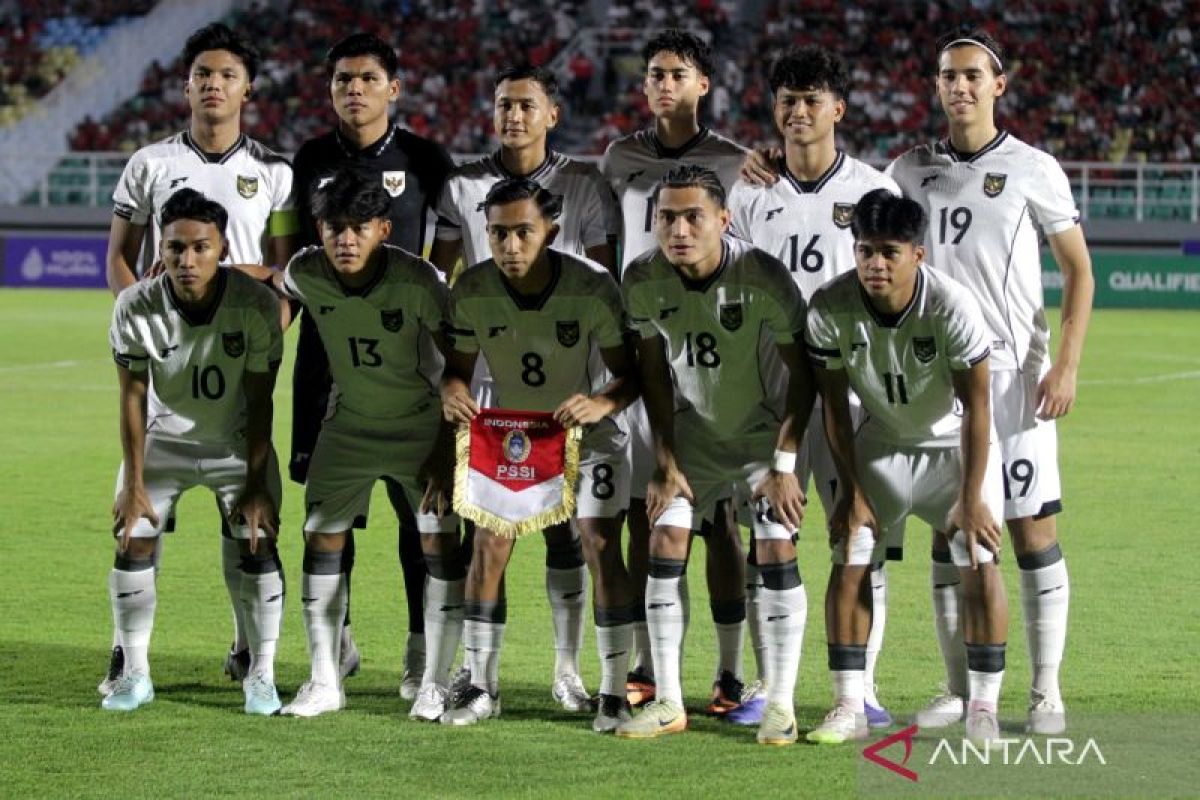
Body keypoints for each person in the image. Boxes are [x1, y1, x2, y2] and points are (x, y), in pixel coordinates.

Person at [886, 29, 1093, 735]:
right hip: (936, 379)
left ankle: (1045, 691)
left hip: (1013, 380)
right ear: (937, 86)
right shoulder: (908, 170)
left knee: (1031, 532)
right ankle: (958, 688)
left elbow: (1078, 270)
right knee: (949, 534)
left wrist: (1066, 363)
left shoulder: (1034, 168)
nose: (961, 86)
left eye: (973, 75)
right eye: (949, 76)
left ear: (998, 85)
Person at [102, 22, 297, 694]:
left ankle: (250, 650)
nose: (213, 84)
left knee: (245, 523)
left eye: (227, 75)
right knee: (139, 520)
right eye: (202, 75)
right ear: (186, 87)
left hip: (240, 356)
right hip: (168, 371)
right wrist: (151, 321)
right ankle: (127, 656)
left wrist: (262, 327)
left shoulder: (275, 173)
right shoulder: (149, 164)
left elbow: (285, 271)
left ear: (248, 89)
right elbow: (120, 258)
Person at [429, 65, 620, 711]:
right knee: (488, 537)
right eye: (503, 104)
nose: (513, 116)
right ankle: (479, 677)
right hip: (494, 404)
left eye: (526, 105)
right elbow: (442, 292)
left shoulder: (585, 200)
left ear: (552, 114)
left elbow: (610, 305)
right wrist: (452, 383)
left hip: (567, 402)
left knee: (571, 537)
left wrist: (600, 397)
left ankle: (569, 672)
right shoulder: (464, 197)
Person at [726, 46, 901, 727]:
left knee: (857, 535)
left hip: (852, 395)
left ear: (838, 109)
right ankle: (772, 686)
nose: (799, 112)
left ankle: (863, 687)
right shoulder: (749, 192)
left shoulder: (875, 191)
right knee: (770, 539)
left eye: (811, 101)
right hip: (771, 394)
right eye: (787, 101)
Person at [615, 165, 814, 745]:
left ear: (724, 220)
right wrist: (666, 460)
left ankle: (780, 705)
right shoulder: (643, 278)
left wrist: (783, 465)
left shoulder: (762, 275)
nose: (678, 230)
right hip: (693, 436)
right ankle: (669, 703)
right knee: (664, 539)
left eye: (693, 217)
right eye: (667, 218)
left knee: (775, 546)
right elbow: (653, 374)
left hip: (761, 437)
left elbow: (804, 374)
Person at [804, 189, 1009, 747]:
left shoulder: (952, 306)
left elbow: (978, 408)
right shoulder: (829, 306)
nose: (875, 263)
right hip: (881, 445)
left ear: (917, 254)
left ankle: (983, 709)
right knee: (850, 551)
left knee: (978, 554)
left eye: (889, 252)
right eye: (865, 250)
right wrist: (850, 490)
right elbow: (834, 408)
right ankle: (849, 704)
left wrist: (971, 497)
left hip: (952, 450)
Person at [289, 33, 456, 699]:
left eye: (366, 78)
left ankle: (419, 651)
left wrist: (429, 300)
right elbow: (288, 260)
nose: (354, 90)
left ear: (394, 88)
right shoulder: (309, 158)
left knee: (420, 520)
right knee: (331, 512)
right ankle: (339, 645)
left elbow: (453, 235)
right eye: (342, 80)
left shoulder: (425, 159)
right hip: (326, 360)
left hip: (405, 358)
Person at [601, 28, 754, 719]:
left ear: (704, 85)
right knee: (647, 514)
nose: (665, 84)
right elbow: (609, 250)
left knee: (722, 521)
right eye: (656, 74)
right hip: (644, 348)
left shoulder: (736, 161)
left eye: (679, 74)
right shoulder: (620, 158)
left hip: (712, 359)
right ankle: (647, 662)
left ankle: (729, 672)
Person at [273, 170, 462, 718]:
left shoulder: (419, 281)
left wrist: (447, 450)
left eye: (359, 228)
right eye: (335, 228)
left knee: (440, 546)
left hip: (421, 426)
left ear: (384, 229)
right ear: (320, 229)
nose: (346, 240)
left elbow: (461, 363)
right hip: (349, 424)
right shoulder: (307, 271)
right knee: (320, 537)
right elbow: (274, 285)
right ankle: (324, 680)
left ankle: (434, 681)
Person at [104, 188, 285, 715]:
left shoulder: (256, 305)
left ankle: (262, 676)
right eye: (175, 247)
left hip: (235, 442)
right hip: (164, 441)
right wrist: (134, 483)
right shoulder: (135, 305)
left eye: (200, 247)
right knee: (133, 539)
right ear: (160, 249)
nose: (187, 260)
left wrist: (256, 484)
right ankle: (134, 673)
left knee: (257, 541)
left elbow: (261, 400)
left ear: (223, 249)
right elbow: (132, 396)